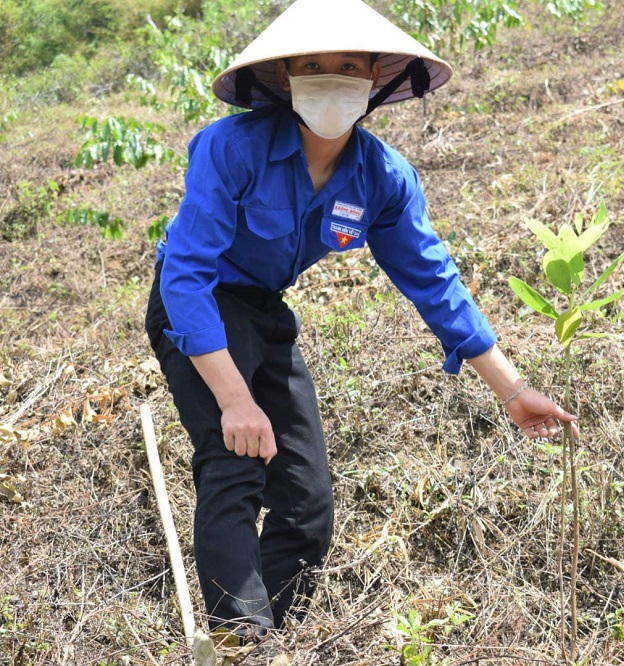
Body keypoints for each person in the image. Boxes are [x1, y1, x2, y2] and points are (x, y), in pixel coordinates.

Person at [144, 0, 578, 639]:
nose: (331, 76)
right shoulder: (230, 148)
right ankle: (242, 638)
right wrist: (235, 399)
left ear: (376, 78)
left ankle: (270, 633)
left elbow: (436, 284)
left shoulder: (382, 178)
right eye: (312, 64)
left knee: (307, 498)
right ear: (286, 76)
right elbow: (185, 276)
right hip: (202, 307)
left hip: (264, 308)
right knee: (235, 457)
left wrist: (511, 390)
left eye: (348, 64)